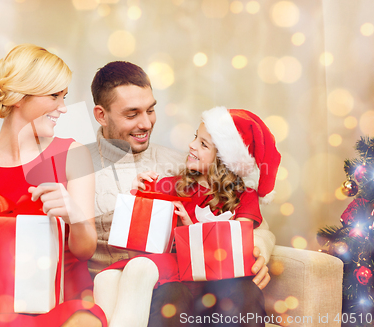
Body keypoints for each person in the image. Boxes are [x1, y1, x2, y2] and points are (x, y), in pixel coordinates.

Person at [0, 61, 275, 327]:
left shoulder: (180, 165)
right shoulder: (68, 157)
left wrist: (259, 245)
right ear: (100, 115)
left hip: (175, 276)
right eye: (131, 114)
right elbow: (10, 187)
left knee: (237, 291)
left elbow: (233, 205)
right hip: (112, 288)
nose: (146, 123)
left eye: (150, 109)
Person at [0, 44, 106, 327]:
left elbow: (85, 250)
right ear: (19, 97)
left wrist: (75, 215)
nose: (63, 108)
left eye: (64, 97)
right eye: (54, 96)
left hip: (62, 300)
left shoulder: (72, 154)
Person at [93, 106, 280, 327]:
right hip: (176, 281)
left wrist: (190, 227)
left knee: (239, 290)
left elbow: (238, 247)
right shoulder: (174, 185)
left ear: (224, 161)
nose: (191, 145)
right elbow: (140, 225)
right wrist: (138, 190)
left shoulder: (244, 196)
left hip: (217, 285)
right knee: (130, 284)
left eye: (203, 144)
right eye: (195, 137)